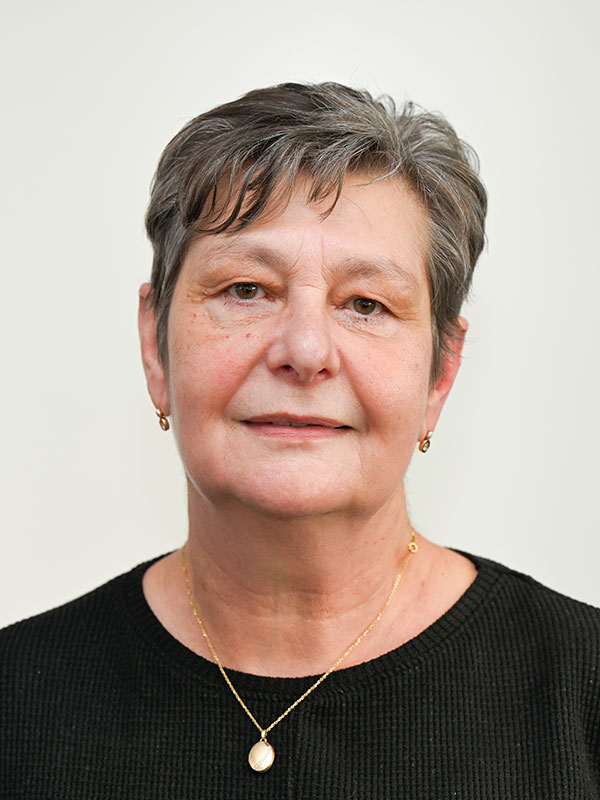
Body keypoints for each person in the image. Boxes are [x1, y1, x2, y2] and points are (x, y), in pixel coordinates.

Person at [2, 82, 599, 798]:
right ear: (155, 347)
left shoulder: (582, 692)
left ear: (440, 373)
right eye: (246, 290)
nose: (306, 351)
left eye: (366, 304)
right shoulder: (17, 702)